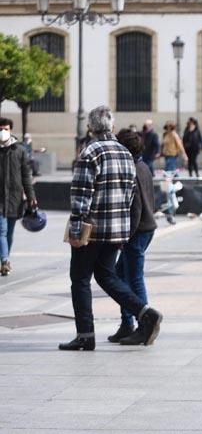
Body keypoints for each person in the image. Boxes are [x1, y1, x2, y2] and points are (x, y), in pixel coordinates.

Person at [61, 106, 162, 351]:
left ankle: (85, 334)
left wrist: (75, 231)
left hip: (92, 230)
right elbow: (129, 195)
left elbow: (81, 196)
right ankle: (144, 312)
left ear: (90, 128)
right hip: (117, 230)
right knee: (107, 276)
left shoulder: (90, 153)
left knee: (80, 279)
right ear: (112, 127)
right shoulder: (125, 154)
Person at [109, 128, 157, 345]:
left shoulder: (132, 170)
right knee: (119, 274)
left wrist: (124, 237)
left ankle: (145, 325)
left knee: (134, 278)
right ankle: (127, 322)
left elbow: (136, 208)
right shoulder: (143, 166)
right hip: (147, 228)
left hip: (136, 231)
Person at [0, 117, 37, 277]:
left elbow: (26, 176)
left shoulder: (19, 150)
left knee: (9, 232)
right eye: (1, 128)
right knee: (1, 230)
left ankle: (4, 258)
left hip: (15, 198)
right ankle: (5, 260)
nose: (3, 132)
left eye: (6, 128)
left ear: (10, 130)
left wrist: (31, 197)